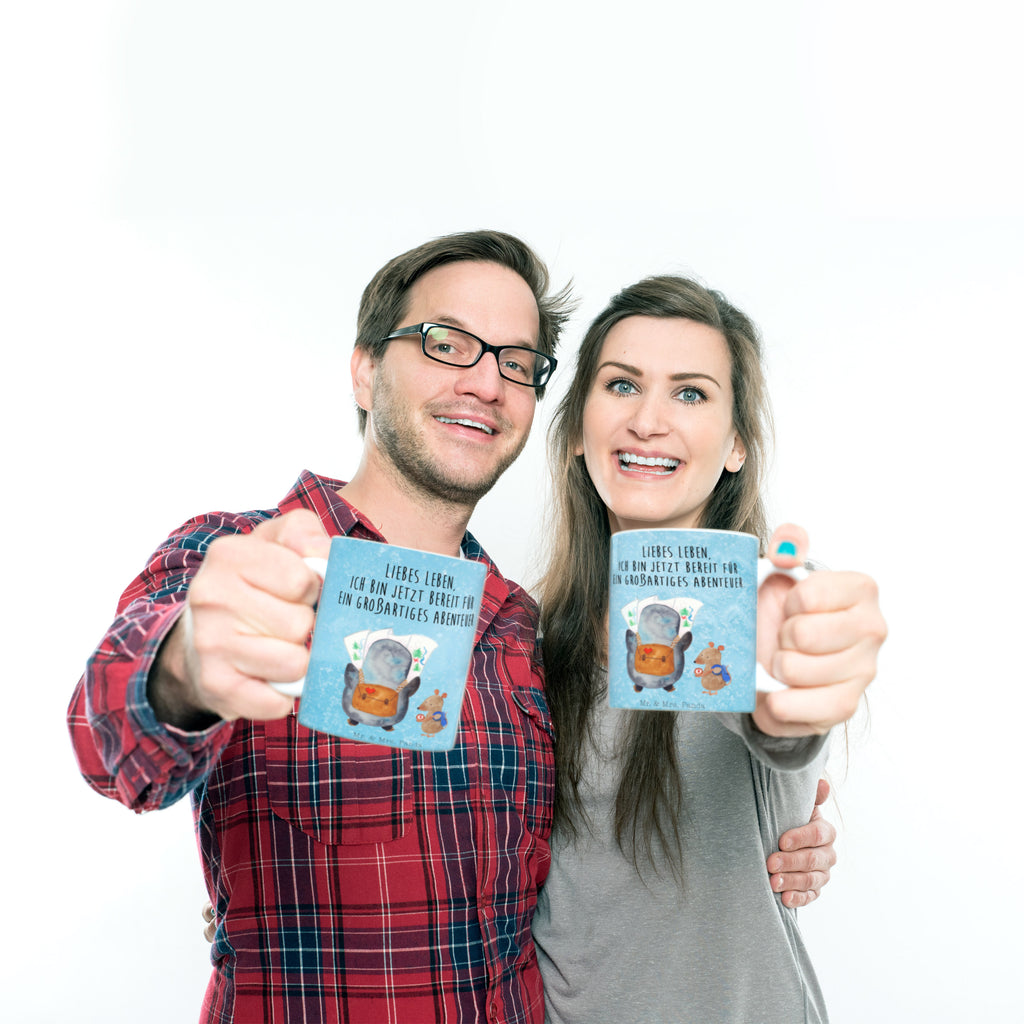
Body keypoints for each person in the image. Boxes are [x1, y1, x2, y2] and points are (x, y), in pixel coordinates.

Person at [68, 231, 839, 1024]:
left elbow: (754, 729)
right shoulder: (242, 560)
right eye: (447, 343)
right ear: (366, 369)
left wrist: (789, 791)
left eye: (515, 362)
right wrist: (185, 670)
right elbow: (108, 737)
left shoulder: (521, 633)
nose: (485, 382)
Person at [531, 276, 886, 1023]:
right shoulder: (528, 638)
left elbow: (780, 720)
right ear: (576, 431)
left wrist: (795, 691)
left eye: (690, 393)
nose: (648, 420)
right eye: (622, 385)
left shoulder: (766, 606)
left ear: (735, 446)